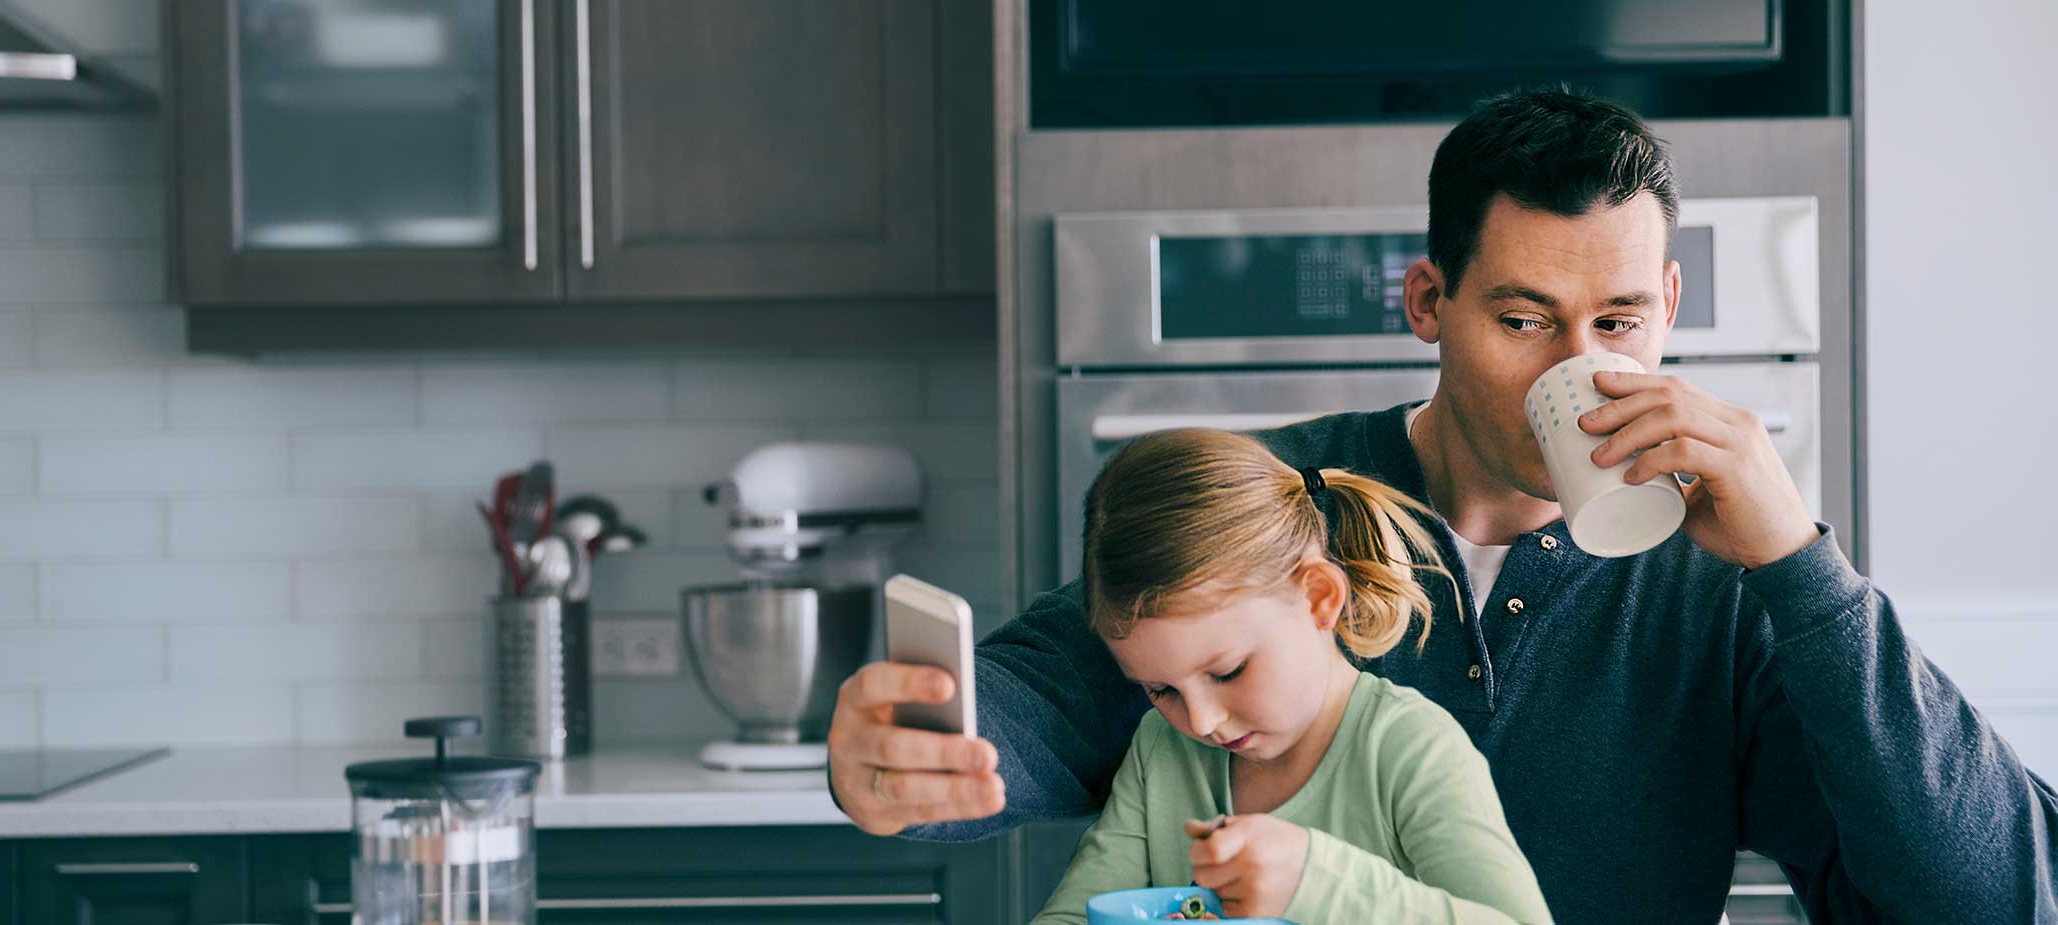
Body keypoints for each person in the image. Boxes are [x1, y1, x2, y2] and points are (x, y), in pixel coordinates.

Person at [826, 89, 2058, 923]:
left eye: (1618, 323)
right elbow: (1036, 713)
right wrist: (905, 759)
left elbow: (1994, 897)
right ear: (1428, 301)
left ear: (1670, 306)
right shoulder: (1276, 504)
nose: (1573, 371)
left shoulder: (1727, 590)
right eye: (1524, 321)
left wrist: (1803, 567)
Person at [1032, 428, 1551, 924]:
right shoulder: (1161, 752)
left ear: (1318, 597)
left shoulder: (1410, 750)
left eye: (1228, 671)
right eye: (1161, 690)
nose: (1201, 720)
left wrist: (1314, 881)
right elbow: (1081, 912)